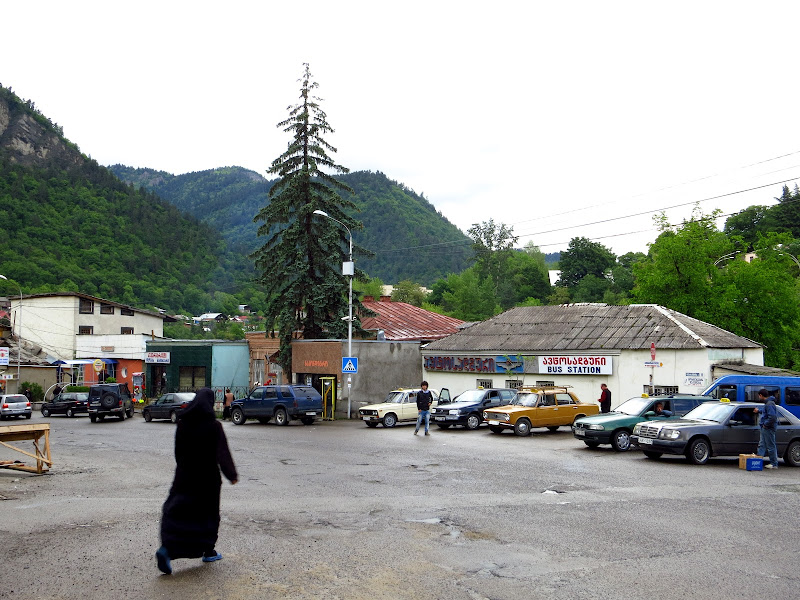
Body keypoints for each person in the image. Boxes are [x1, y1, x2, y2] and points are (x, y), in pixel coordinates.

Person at [156, 388, 238, 575]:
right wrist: (231, 475)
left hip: (184, 477)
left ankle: (167, 549)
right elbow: (222, 453)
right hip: (208, 480)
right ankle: (208, 551)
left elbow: (178, 452)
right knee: (207, 515)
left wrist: (184, 469)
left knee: (178, 511)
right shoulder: (214, 426)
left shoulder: (182, 423)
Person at [754, 388, 779, 469]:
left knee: (770, 446)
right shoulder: (768, 403)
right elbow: (766, 412)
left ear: (761, 395)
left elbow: (772, 417)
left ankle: (774, 463)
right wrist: (759, 411)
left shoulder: (769, 404)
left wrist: (765, 424)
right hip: (765, 428)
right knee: (762, 444)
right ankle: (757, 462)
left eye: (759, 396)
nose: (759, 397)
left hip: (768, 428)